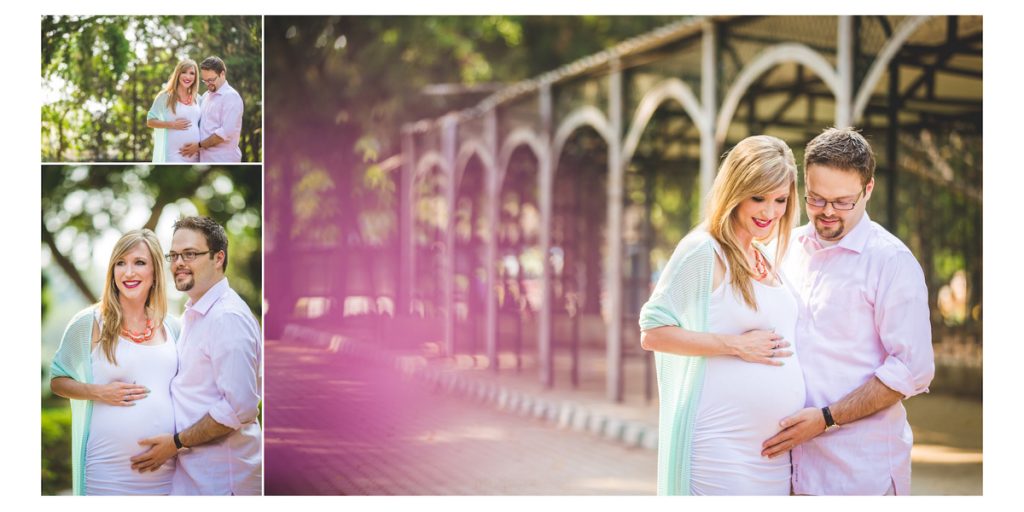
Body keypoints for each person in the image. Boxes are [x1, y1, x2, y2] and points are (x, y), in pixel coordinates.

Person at [761, 127, 935, 495]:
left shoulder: (892, 262)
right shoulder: (783, 248)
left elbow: (912, 368)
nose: (826, 213)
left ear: (868, 189)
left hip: (859, 474)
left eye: (842, 202)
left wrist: (826, 419)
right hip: (787, 472)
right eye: (816, 198)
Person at [638, 135, 805, 495]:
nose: (769, 211)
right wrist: (735, 346)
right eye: (758, 197)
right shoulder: (703, 250)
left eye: (780, 200)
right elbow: (653, 330)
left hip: (771, 455)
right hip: (719, 449)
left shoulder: (765, 256)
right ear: (735, 190)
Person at [129, 216, 262, 495]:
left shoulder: (227, 318)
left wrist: (175, 443)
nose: (178, 262)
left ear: (218, 258)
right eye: (174, 255)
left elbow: (240, 408)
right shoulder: (194, 314)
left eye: (190, 254)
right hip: (194, 480)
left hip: (223, 484)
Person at [49, 229, 181, 495]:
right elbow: (58, 380)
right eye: (120, 263)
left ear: (155, 271)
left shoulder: (174, 328)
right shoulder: (88, 323)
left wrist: (179, 444)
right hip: (106, 475)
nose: (128, 272)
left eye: (139, 263)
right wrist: (98, 392)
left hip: (167, 475)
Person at [179, 56, 243, 162]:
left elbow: (224, 133)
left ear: (222, 74)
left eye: (211, 80)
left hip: (223, 160)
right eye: (205, 81)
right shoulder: (206, 96)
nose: (208, 84)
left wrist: (198, 146)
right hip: (204, 159)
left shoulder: (231, 97)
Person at [147, 59, 201, 163]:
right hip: (174, 154)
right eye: (184, 72)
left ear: (195, 77)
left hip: (196, 153)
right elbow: (150, 121)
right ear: (177, 74)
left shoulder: (198, 99)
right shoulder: (164, 97)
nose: (188, 77)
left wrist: (199, 146)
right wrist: (172, 124)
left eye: (192, 73)